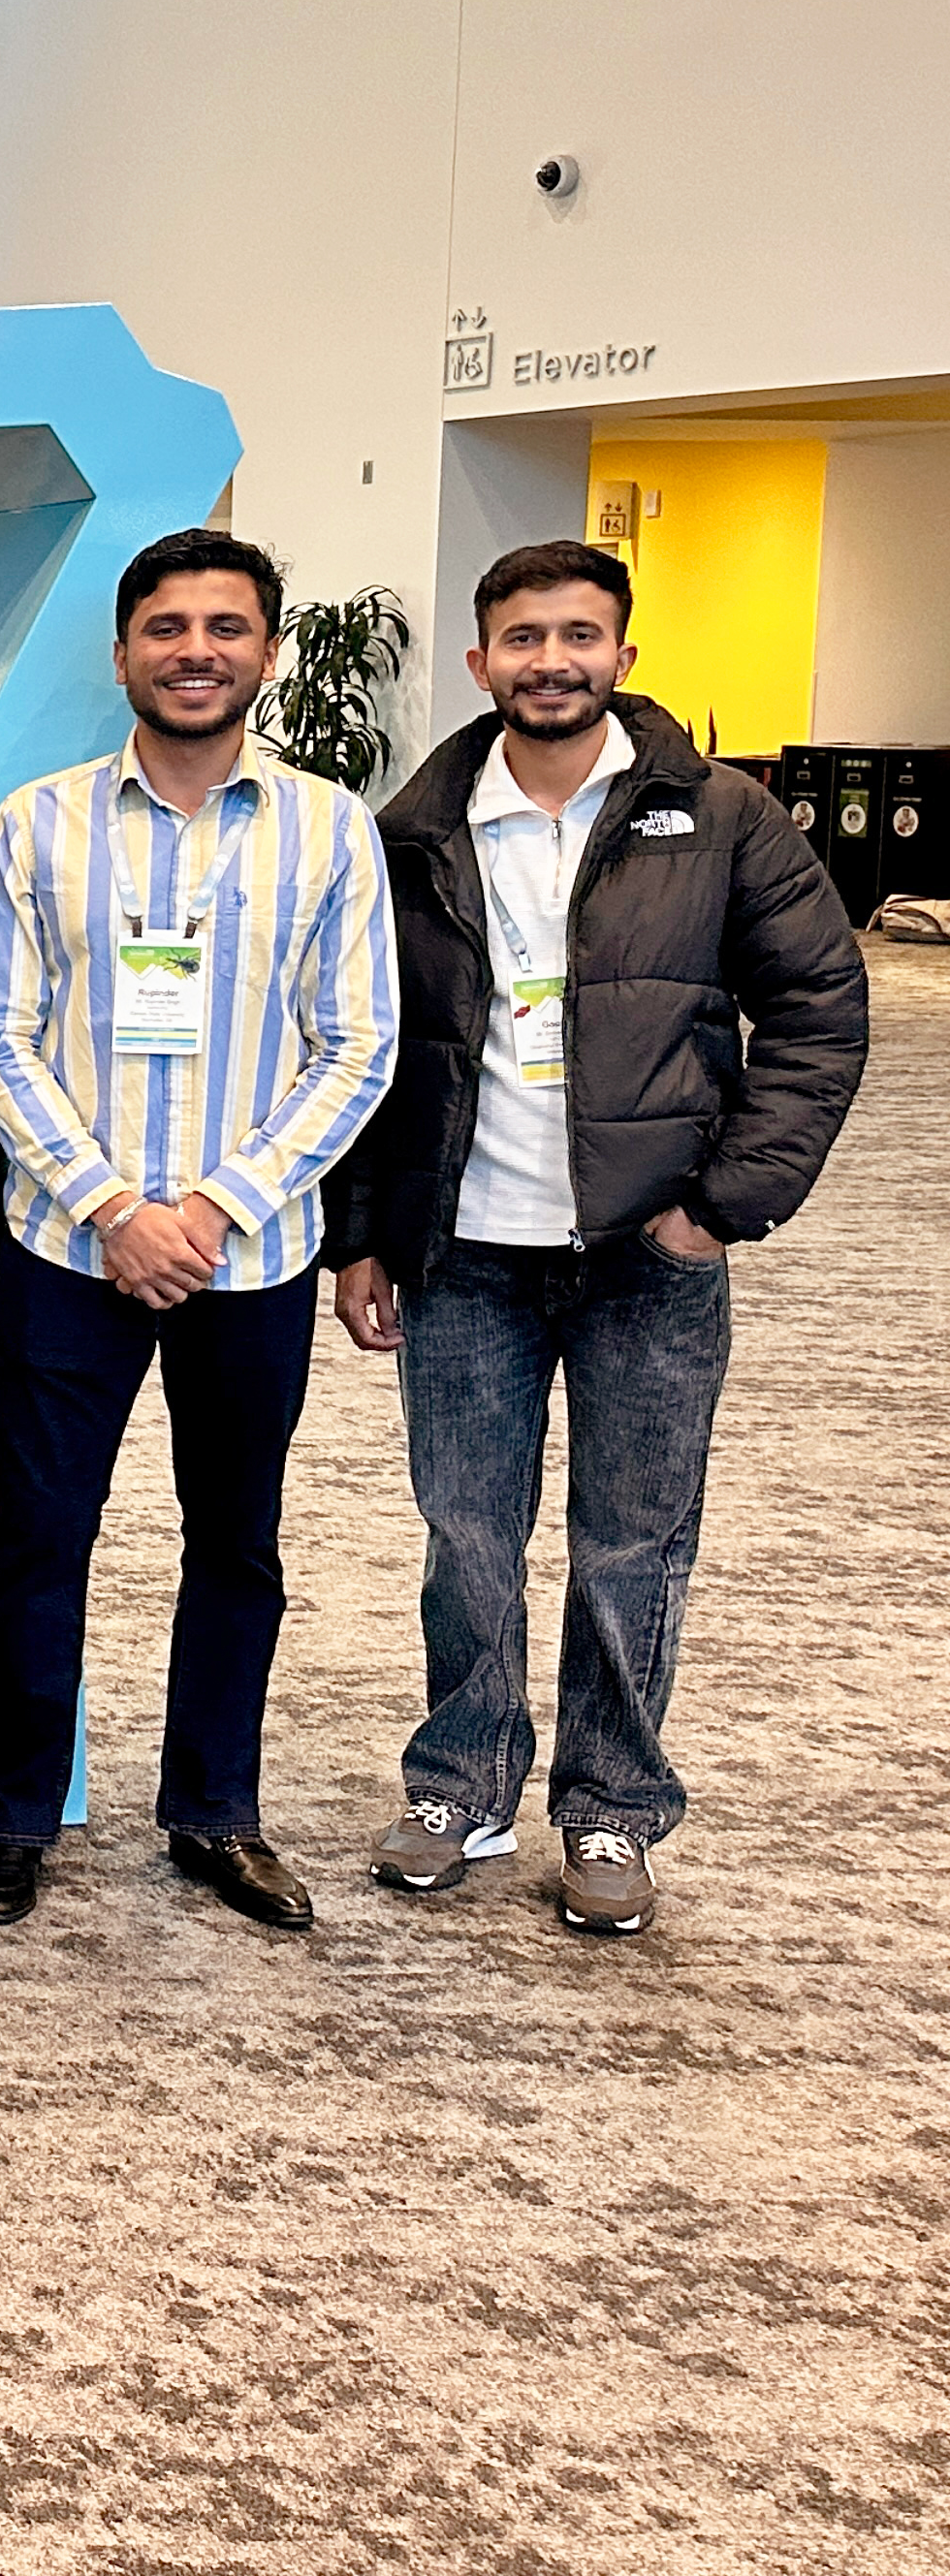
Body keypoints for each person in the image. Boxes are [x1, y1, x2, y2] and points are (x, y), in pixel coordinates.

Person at [329, 541, 866, 1937]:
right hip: (465, 1258)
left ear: (624, 654)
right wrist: (365, 1236)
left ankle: (613, 1810)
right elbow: (371, 1051)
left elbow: (819, 1011)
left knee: (635, 1546)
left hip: (649, 1256)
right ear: (481, 660)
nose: (550, 661)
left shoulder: (727, 818)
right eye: (522, 638)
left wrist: (722, 1204)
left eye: (578, 636)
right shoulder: (417, 830)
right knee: (467, 1537)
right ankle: (462, 1782)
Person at [0, 530, 397, 1935]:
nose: (194, 649)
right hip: (66, 1252)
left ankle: (215, 1812)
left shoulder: (331, 828)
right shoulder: (38, 822)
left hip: (249, 1257)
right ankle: (14, 1816)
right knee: (40, 1537)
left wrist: (208, 1209)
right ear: (123, 649)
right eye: (165, 626)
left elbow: (361, 1045)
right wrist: (112, 1207)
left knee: (238, 1543)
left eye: (224, 626)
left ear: (267, 649)